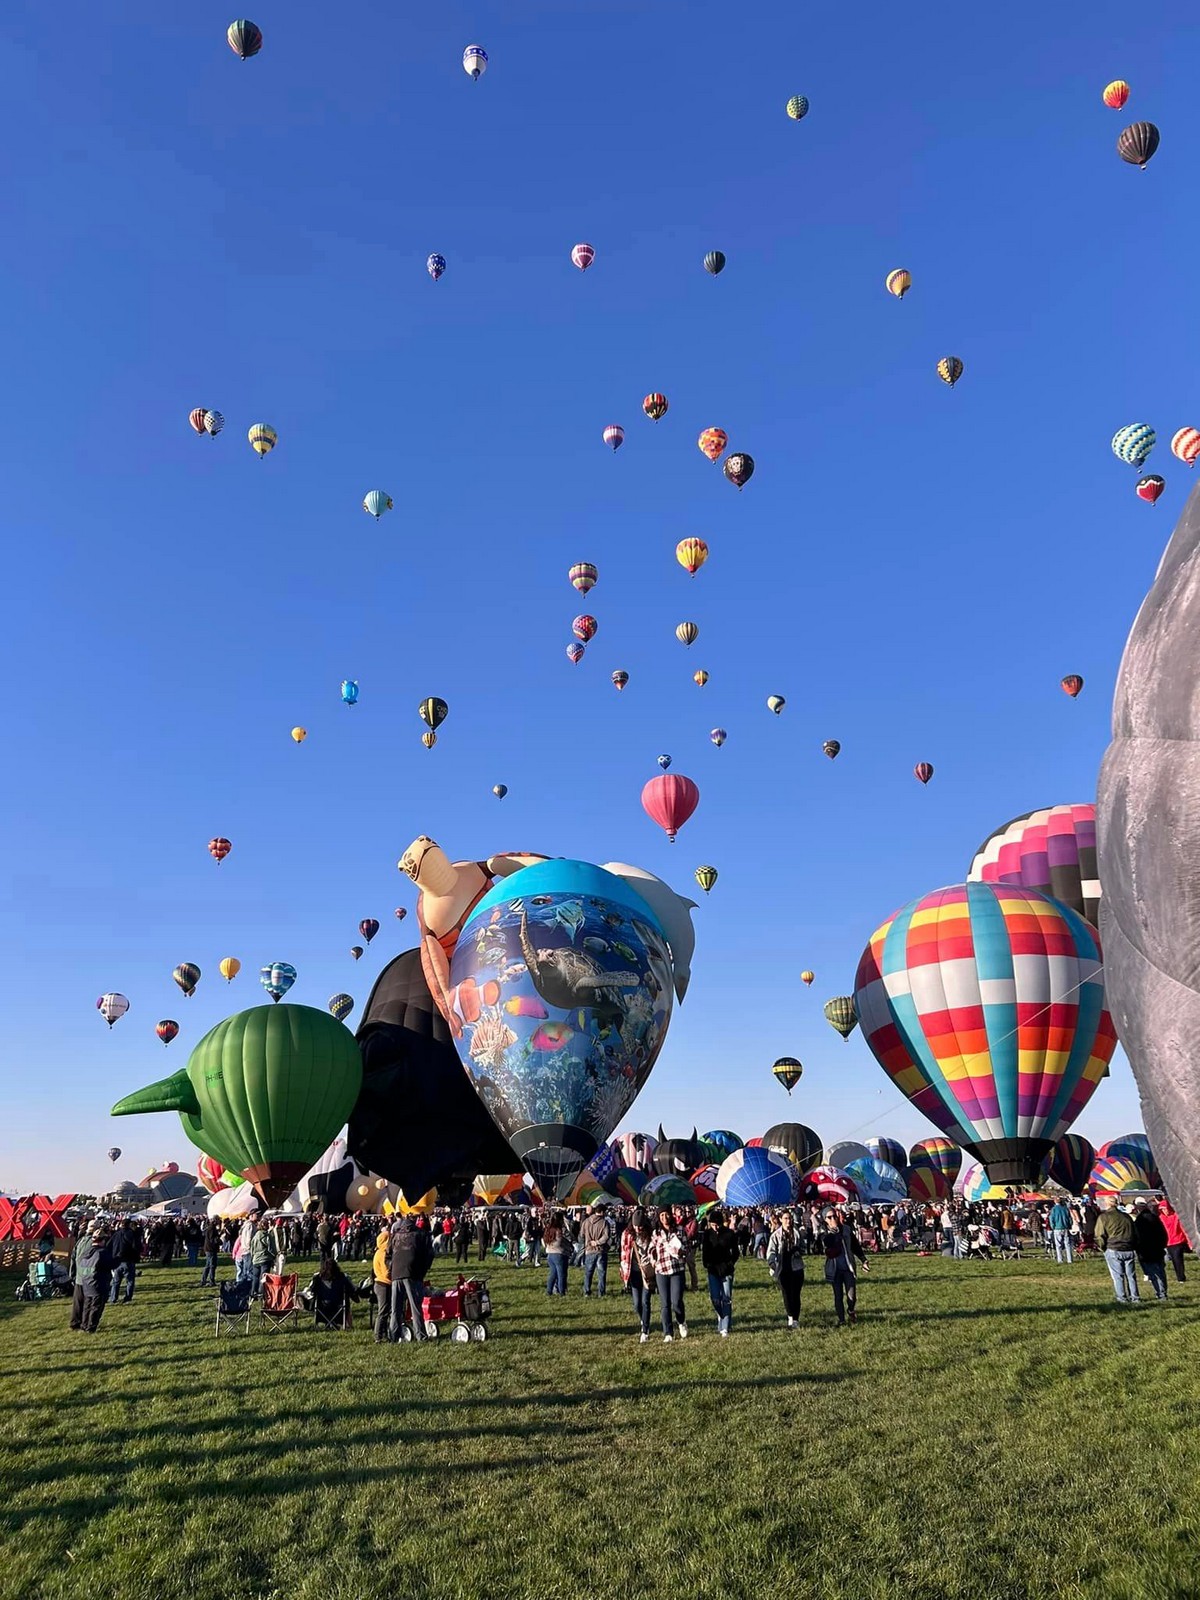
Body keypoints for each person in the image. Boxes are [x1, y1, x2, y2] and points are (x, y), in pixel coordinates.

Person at [822, 1210, 868, 1325]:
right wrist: (834, 1232)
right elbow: (827, 1245)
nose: (833, 1219)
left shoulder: (846, 1229)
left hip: (848, 1267)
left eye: (834, 1216)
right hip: (834, 1269)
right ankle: (841, 1320)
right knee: (838, 1295)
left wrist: (863, 1260)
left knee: (851, 1295)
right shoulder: (824, 1232)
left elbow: (855, 1245)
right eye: (829, 1217)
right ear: (825, 1220)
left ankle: (851, 1309)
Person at [389, 1219, 433, 1341]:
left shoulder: (396, 1235)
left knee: (395, 1308)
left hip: (396, 1273)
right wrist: (422, 1271)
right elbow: (429, 1254)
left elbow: (388, 1254)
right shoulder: (421, 1234)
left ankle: (393, 1336)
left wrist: (391, 1269)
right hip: (413, 1273)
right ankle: (420, 1336)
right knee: (415, 1306)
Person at [648, 1210, 687, 1341]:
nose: (665, 1217)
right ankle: (668, 1333)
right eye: (662, 1215)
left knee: (676, 1301)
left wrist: (680, 1251)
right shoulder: (656, 1233)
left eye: (666, 1214)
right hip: (661, 1270)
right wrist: (653, 1260)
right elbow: (651, 1249)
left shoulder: (680, 1230)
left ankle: (681, 1322)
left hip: (677, 1269)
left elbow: (687, 1248)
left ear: (671, 1215)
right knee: (665, 1303)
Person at [700, 1207, 739, 1336]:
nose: (715, 1227)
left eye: (717, 1225)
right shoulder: (707, 1235)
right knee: (715, 1298)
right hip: (713, 1270)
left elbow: (736, 1252)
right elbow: (705, 1251)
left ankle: (725, 1327)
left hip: (726, 1270)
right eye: (713, 1225)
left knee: (726, 1298)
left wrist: (730, 1263)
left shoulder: (729, 1234)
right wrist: (706, 1264)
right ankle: (721, 1317)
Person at [70, 1224, 114, 1333]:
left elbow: (73, 1257)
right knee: (91, 1304)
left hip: (80, 1276)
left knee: (79, 1303)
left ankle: (77, 1323)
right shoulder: (95, 1246)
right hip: (90, 1278)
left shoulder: (81, 1241)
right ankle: (88, 1325)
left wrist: (72, 1273)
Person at [1095, 1197, 1139, 1305]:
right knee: (1131, 1276)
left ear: (1107, 1204)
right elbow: (1135, 1233)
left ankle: (1122, 1298)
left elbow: (1099, 1235)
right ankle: (1135, 1297)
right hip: (1128, 1248)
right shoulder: (1126, 1217)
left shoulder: (1104, 1217)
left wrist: (1102, 1247)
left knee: (1118, 1276)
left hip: (1113, 1248)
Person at [620, 1214, 655, 1342]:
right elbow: (623, 1253)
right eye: (635, 1226)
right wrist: (624, 1274)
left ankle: (645, 1330)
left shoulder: (651, 1234)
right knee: (636, 1303)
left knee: (645, 1301)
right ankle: (643, 1320)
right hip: (633, 1271)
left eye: (640, 1226)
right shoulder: (627, 1234)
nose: (638, 1228)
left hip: (647, 1272)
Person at [766, 1212, 805, 1328]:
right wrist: (772, 1264)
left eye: (790, 1218)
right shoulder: (775, 1235)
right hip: (783, 1269)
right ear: (781, 1220)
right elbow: (771, 1252)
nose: (788, 1221)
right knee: (787, 1294)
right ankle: (790, 1316)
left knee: (796, 1294)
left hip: (796, 1267)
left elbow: (804, 1247)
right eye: (786, 1218)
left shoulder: (797, 1234)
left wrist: (799, 1250)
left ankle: (796, 1320)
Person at [305, 1257, 360, 1328]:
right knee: (346, 1300)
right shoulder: (342, 1278)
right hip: (338, 1307)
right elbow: (351, 1290)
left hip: (321, 1307)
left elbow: (312, 1290)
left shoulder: (317, 1278)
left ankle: (329, 1323)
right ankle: (349, 1325)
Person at [1132, 1200, 1169, 1302]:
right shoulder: (1155, 1218)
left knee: (1153, 1273)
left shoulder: (1139, 1221)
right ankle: (1163, 1292)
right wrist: (1162, 1246)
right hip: (1158, 1250)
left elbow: (1137, 1237)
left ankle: (1160, 1293)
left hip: (1146, 1251)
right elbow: (1163, 1234)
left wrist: (1137, 1248)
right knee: (1161, 1272)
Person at [580, 1203, 610, 1296]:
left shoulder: (586, 1221)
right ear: (602, 1212)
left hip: (589, 1250)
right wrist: (597, 1242)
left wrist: (587, 1241)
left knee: (588, 1273)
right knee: (601, 1273)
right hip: (600, 1250)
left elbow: (581, 1235)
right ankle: (601, 1292)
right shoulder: (604, 1222)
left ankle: (586, 1291)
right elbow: (606, 1236)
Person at [107, 1221, 138, 1304]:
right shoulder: (131, 1234)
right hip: (128, 1260)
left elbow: (108, 1245)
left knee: (116, 1281)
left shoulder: (116, 1234)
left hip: (116, 1260)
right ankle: (127, 1297)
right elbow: (135, 1246)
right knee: (130, 1281)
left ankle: (113, 1298)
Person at [1160, 1199, 1190, 1283]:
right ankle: (1178, 1276)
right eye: (1162, 1209)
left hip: (1178, 1242)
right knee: (1173, 1260)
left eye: (1165, 1208)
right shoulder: (1161, 1218)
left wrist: (1188, 1241)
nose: (1164, 1211)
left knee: (1178, 1260)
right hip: (1168, 1242)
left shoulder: (1176, 1216)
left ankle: (1181, 1277)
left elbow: (1183, 1229)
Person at [371, 1224, 392, 1342]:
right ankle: (378, 1335)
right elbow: (386, 1272)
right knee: (383, 1311)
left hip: (380, 1283)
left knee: (385, 1310)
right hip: (384, 1283)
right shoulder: (384, 1254)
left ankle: (384, 1333)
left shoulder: (378, 1252)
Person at [543, 1213, 569, 1297]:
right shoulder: (559, 1230)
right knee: (561, 1275)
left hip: (550, 1254)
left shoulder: (548, 1229)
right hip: (558, 1254)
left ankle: (548, 1291)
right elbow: (561, 1242)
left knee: (553, 1274)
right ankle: (562, 1292)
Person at [248, 1221, 272, 1298]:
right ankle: (261, 1292)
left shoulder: (255, 1236)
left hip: (256, 1259)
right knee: (263, 1277)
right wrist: (273, 1256)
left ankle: (253, 1291)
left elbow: (252, 1249)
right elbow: (270, 1248)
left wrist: (253, 1257)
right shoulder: (266, 1236)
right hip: (264, 1258)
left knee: (255, 1276)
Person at [1048, 1198, 1074, 1264]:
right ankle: (1069, 1259)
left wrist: (1053, 1227)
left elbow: (1051, 1219)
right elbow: (1070, 1218)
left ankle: (1060, 1259)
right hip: (1065, 1227)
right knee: (1067, 1244)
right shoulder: (1065, 1209)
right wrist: (1069, 1225)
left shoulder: (1053, 1209)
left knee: (1058, 1245)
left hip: (1057, 1228)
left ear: (1054, 1201)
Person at [200, 1216, 220, 1286]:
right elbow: (212, 1239)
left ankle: (203, 1280)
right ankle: (211, 1280)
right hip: (211, 1249)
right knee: (212, 1265)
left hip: (208, 1249)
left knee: (208, 1265)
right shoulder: (212, 1228)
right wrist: (218, 1240)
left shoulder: (210, 1227)